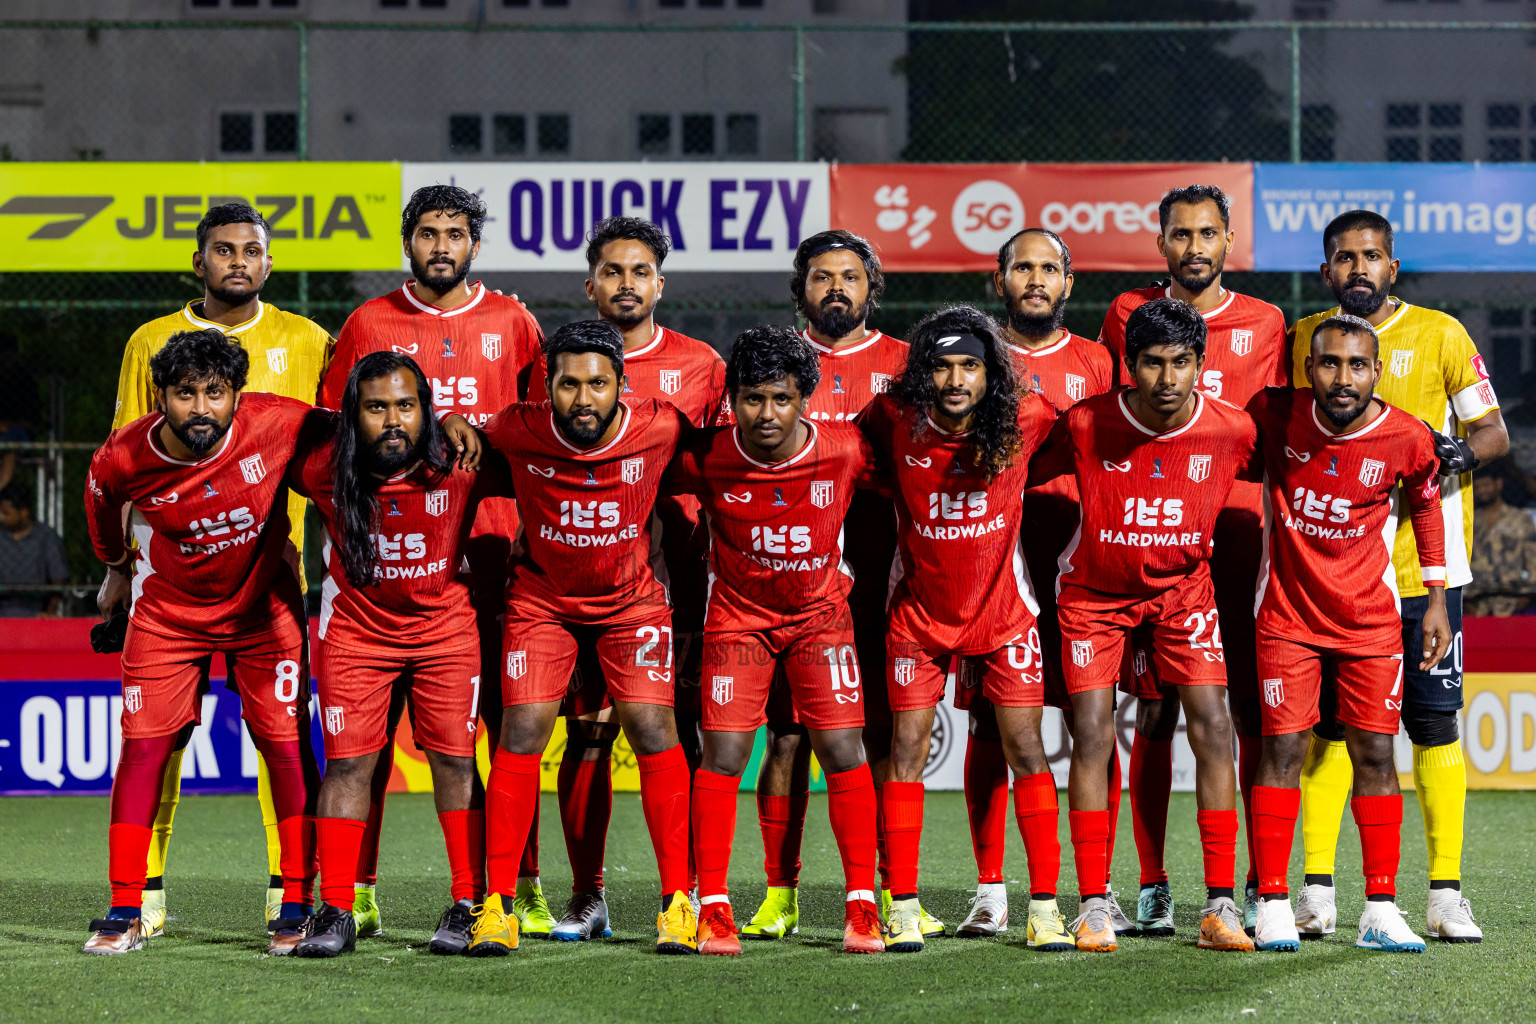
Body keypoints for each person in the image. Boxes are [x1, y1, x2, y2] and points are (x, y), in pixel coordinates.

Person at [321, 184, 547, 938]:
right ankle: (357, 891)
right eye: (427, 233)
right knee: (364, 745)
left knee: (498, 736)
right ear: (407, 242)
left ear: (475, 245)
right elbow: (330, 436)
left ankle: (512, 890)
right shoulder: (366, 324)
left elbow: (538, 427)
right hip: (385, 565)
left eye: (455, 233)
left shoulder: (514, 321)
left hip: (496, 554)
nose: (441, 245)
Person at [111, 202, 334, 937]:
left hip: (276, 573)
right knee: (159, 737)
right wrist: (119, 568)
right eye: (223, 250)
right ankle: (141, 893)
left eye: (251, 250)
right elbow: (125, 462)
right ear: (199, 263)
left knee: (281, 735)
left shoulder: (309, 340)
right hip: (170, 577)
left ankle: (286, 891)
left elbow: (341, 445)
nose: (238, 260)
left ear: (269, 264)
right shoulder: (152, 341)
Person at [1288, 210, 1509, 943]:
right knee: (1328, 728)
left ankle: (1445, 893)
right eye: (1345, 258)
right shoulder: (1307, 339)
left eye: (1372, 256)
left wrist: (1438, 459)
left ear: (1393, 265)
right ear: (1327, 271)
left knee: (1433, 723)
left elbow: (1492, 434)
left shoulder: (1441, 332)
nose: (1359, 268)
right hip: (1329, 574)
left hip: (1423, 576)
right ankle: (1317, 891)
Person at [82, 329, 322, 956]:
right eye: (184, 394)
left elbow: (355, 441)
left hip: (263, 609)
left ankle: (296, 904)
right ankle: (124, 908)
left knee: (286, 745)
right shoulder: (124, 457)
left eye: (215, 394)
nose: (200, 409)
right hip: (170, 615)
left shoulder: (276, 420)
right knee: (143, 751)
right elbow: (102, 506)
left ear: (236, 395)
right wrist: (114, 569)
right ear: (159, 396)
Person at [1034, 297, 1257, 954]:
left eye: (1181, 363)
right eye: (1153, 364)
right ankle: (1095, 902)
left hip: (1184, 593)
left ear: (1200, 365)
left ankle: (1220, 905)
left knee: (1214, 724)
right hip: (1093, 597)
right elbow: (1015, 473)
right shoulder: (1082, 423)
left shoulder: (1233, 430)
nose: (1167, 379)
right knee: (1093, 734)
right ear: (1127, 366)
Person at [525, 216, 727, 941]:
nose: (626, 284)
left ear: (660, 284)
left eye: (640, 272)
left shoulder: (703, 366)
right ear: (590, 284)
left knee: (682, 734)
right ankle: (589, 895)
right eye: (612, 271)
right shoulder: (560, 363)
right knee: (587, 733)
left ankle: (696, 894)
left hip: (682, 577)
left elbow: (724, 472)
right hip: (587, 576)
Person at [467, 320, 696, 957]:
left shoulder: (662, 427)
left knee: (653, 729)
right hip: (542, 603)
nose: (584, 398)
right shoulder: (516, 428)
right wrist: (456, 429)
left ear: (623, 384)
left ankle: (678, 901)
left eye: (599, 384)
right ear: (549, 387)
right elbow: (467, 450)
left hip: (631, 604)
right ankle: (497, 906)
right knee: (523, 730)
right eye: (569, 384)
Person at [1098, 184, 1287, 935]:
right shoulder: (1125, 313)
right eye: (1181, 234)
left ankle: (1253, 883)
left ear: (1230, 238)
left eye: (1209, 233)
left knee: (1243, 715)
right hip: (1154, 538)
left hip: (1240, 540)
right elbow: (1122, 418)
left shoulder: (1266, 321)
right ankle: (1152, 884)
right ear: (1161, 243)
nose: (1195, 247)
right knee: (1154, 711)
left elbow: (1274, 429)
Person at [667, 326, 884, 956]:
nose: (766, 414)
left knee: (844, 747)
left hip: (821, 618)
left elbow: (915, 477)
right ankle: (712, 907)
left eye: (781, 399)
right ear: (732, 398)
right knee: (726, 755)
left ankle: (862, 908)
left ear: (805, 398)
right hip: (737, 621)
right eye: (752, 399)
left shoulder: (844, 451)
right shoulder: (705, 457)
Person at [857, 305, 1061, 954]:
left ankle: (1046, 908)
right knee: (906, 752)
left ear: (989, 373)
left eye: (969, 365)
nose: (954, 379)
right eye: (941, 366)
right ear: (922, 372)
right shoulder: (892, 421)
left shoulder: (1025, 420)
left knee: (1027, 752)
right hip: (916, 618)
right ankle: (906, 905)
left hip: (1004, 616)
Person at [1248, 314, 1451, 954]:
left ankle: (1381, 909)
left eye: (1357, 365)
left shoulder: (1407, 435)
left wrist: (1438, 598)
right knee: (1282, 752)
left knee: (1375, 755)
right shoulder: (1274, 415)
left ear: (1377, 371)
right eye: (1330, 363)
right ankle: (1275, 903)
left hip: (1370, 622)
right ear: (1309, 369)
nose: (1343, 378)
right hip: (1287, 617)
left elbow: (1426, 501)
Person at [742, 229, 923, 942]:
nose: (837, 288)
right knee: (785, 736)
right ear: (802, 288)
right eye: (822, 277)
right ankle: (779, 892)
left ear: (871, 286)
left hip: (885, 572)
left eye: (850, 276)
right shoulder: (774, 364)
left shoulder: (906, 366)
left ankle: (885, 888)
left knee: (879, 734)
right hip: (791, 575)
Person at [288, 352, 494, 958]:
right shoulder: (323, 468)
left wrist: (465, 421)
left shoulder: (461, 462)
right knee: (349, 767)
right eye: (377, 408)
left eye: (406, 406)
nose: (393, 420)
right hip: (356, 634)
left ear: (426, 410)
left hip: (446, 632)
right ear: (354, 415)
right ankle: (338, 909)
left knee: (455, 763)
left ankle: (468, 904)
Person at [943, 227, 1114, 938]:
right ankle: (991, 889)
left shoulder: (1099, 364)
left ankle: (1093, 893)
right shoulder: (972, 361)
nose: (1035, 279)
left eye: (1049, 268)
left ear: (1069, 284)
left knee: (1088, 727)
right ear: (1000, 280)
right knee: (991, 724)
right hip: (995, 571)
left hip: (1079, 567)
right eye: (1023, 267)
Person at [1467, 461, 1536, 616]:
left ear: (1498, 484)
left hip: (1513, 602)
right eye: (1477, 487)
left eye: (1486, 485)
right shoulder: (1470, 520)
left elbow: (1533, 560)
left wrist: (1528, 595)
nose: (1481, 491)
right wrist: (1465, 599)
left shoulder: (1520, 519)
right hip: (1476, 603)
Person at [0, 482, 69, 617]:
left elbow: (59, 580)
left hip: (35, 612)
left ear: (24, 512)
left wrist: (49, 613)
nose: (1, 518)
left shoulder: (46, 536)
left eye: (6, 513)